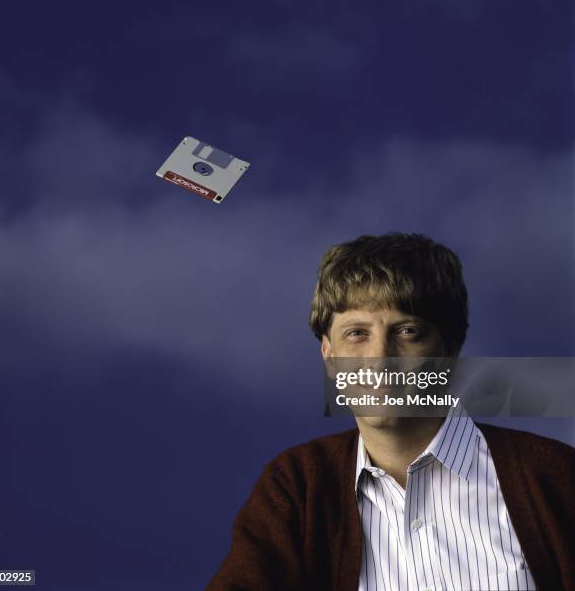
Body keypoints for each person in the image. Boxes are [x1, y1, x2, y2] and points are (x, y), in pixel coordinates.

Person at [207, 233, 575, 591]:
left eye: (408, 331)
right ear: (328, 355)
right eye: (356, 333)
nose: (380, 359)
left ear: (450, 349)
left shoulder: (556, 476)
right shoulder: (296, 488)